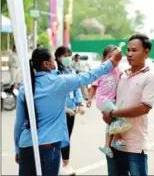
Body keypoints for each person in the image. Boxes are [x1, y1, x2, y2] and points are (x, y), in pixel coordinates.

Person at [14, 47, 122, 176]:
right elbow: (89, 76)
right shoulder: (58, 82)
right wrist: (112, 61)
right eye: (53, 59)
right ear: (46, 64)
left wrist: (17, 149)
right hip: (48, 147)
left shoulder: (24, 88)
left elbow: (19, 124)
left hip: (25, 146)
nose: (55, 62)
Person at [101, 34, 154, 176]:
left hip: (135, 146)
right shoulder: (121, 73)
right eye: (128, 50)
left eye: (134, 50)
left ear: (146, 52)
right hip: (115, 144)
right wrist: (105, 112)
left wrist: (113, 114)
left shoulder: (151, 76)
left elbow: (144, 108)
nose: (129, 54)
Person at [87, 45, 126, 158]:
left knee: (111, 122)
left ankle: (107, 146)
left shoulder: (118, 70)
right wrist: (89, 99)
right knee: (118, 116)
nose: (114, 61)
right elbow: (93, 87)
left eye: (117, 58)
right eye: (110, 57)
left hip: (112, 101)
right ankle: (117, 139)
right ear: (104, 59)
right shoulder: (101, 71)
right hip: (103, 100)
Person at [55, 46, 85, 175]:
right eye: (64, 55)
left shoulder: (71, 71)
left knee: (67, 137)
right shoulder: (56, 73)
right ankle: (63, 164)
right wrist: (65, 109)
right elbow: (55, 94)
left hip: (72, 110)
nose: (67, 58)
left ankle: (64, 164)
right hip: (60, 111)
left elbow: (76, 88)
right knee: (60, 137)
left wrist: (79, 103)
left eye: (69, 55)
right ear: (58, 57)